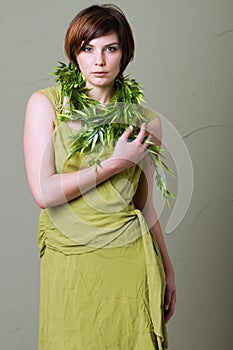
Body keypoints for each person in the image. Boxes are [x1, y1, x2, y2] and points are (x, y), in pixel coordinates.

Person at [24, 4, 176, 350]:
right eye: (88, 49)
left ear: (125, 54)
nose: (99, 61)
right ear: (74, 52)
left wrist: (168, 268)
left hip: (130, 260)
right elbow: (43, 193)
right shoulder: (46, 105)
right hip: (70, 262)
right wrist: (115, 164)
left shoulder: (146, 122)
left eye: (111, 48)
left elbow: (143, 204)